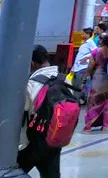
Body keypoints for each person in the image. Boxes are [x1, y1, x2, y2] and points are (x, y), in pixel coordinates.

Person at [18, 45, 62, 177]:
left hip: (32, 142)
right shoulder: (63, 78)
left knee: (13, 172)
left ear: (32, 63)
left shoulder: (33, 83)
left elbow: (23, 110)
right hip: (55, 139)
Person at [83, 35, 108, 132]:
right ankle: (105, 125)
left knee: (94, 101)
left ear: (101, 40)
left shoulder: (96, 51)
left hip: (98, 78)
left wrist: (85, 78)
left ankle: (88, 125)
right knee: (105, 101)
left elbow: (90, 66)